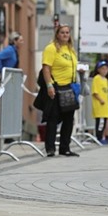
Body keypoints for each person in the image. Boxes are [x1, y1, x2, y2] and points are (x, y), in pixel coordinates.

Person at [39, 24, 81, 157]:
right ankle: (50, 148)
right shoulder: (51, 48)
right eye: (62, 32)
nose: (65, 35)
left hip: (69, 87)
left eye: (67, 32)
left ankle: (65, 148)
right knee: (53, 118)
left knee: (69, 119)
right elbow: (46, 68)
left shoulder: (70, 49)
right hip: (57, 86)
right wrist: (49, 85)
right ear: (57, 34)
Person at [91, 60, 108, 143]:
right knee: (100, 123)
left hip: (105, 107)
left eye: (106, 69)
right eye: (102, 68)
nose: (104, 70)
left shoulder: (106, 80)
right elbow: (95, 92)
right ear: (99, 69)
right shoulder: (97, 78)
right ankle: (99, 138)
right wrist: (101, 100)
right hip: (99, 105)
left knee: (104, 123)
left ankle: (101, 137)